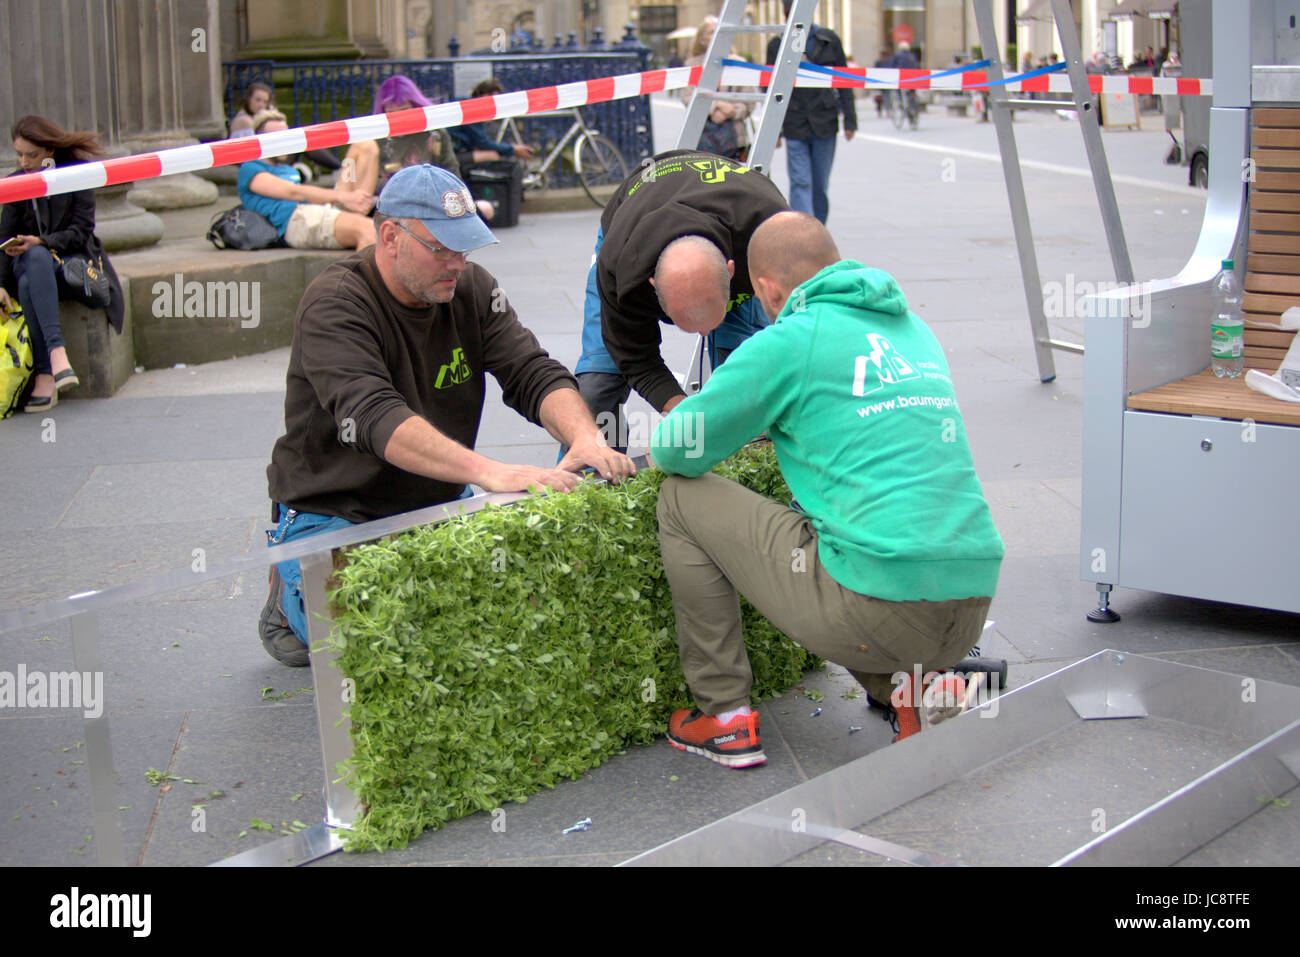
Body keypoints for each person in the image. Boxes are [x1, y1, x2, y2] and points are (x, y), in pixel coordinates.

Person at [648, 212, 1004, 767]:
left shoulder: (792, 339)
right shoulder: (912, 327)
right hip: (969, 604)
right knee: (847, 534)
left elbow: (676, 448)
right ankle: (916, 693)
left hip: (879, 607)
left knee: (680, 498)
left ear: (766, 288)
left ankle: (722, 717)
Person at [259, 164, 634, 666]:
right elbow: (374, 416)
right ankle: (287, 597)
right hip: (336, 509)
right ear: (391, 236)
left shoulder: (472, 287)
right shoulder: (335, 303)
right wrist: (492, 473)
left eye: (465, 246)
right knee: (388, 647)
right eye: (443, 248)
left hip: (434, 498)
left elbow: (532, 370)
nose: (458, 262)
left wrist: (585, 436)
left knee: (509, 622)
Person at [572, 149, 788, 452]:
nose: (702, 335)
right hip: (631, 223)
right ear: (652, 285)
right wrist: (682, 417)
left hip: (740, 230)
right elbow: (635, 358)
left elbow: (801, 329)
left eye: (712, 318)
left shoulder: (770, 234)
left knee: (750, 372)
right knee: (597, 388)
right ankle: (590, 476)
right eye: (686, 324)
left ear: (730, 272)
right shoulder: (620, 272)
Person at [0, 115, 125, 412]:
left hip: (70, 266)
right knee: (32, 260)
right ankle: (58, 355)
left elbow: (82, 230)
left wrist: (44, 242)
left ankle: (45, 370)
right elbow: (3, 238)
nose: (25, 161)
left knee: (35, 265)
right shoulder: (18, 181)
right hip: (25, 265)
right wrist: (1, 285)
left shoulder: (76, 175)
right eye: (19, 154)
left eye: (31, 155)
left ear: (50, 151)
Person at [765, 0, 856, 224]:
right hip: (794, 120)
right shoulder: (777, 45)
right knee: (800, 181)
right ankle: (804, 232)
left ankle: (818, 228)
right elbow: (767, 87)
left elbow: (844, 81)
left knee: (820, 184)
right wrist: (773, 129)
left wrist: (850, 120)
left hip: (824, 120)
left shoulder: (829, 40)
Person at [236, 109, 377, 250]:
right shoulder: (250, 168)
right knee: (369, 229)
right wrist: (343, 197)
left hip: (319, 208)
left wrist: (351, 198)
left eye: (286, 136)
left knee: (366, 145)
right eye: (277, 138)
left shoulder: (287, 170)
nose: (283, 142)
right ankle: (359, 230)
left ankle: (360, 206)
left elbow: (308, 196)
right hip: (295, 221)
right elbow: (293, 192)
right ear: (260, 140)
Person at [365, 75, 494, 219]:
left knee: (486, 208)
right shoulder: (374, 139)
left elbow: (453, 176)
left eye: (405, 110)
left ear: (416, 106)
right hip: (391, 205)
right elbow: (368, 185)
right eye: (391, 113)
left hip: (434, 201)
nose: (399, 118)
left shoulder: (436, 134)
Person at [229, 81, 341, 177]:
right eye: (257, 100)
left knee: (304, 140)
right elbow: (254, 150)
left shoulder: (255, 117)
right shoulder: (245, 120)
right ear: (248, 99)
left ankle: (338, 168)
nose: (261, 105)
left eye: (265, 101)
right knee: (302, 140)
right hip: (253, 162)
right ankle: (339, 168)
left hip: (267, 156)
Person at [680, 16, 753, 163]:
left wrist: (731, 111)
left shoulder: (738, 63)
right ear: (701, 39)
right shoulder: (693, 65)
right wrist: (716, 106)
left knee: (736, 181)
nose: (716, 36)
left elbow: (750, 100)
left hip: (734, 135)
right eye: (711, 32)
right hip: (703, 135)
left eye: (719, 31)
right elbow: (687, 97)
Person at [449, 78, 536, 169]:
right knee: (492, 156)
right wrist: (513, 149)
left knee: (491, 155)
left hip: (453, 153)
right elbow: (483, 144)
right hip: (452, 156)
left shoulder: (465, 105)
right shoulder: (470, 110)